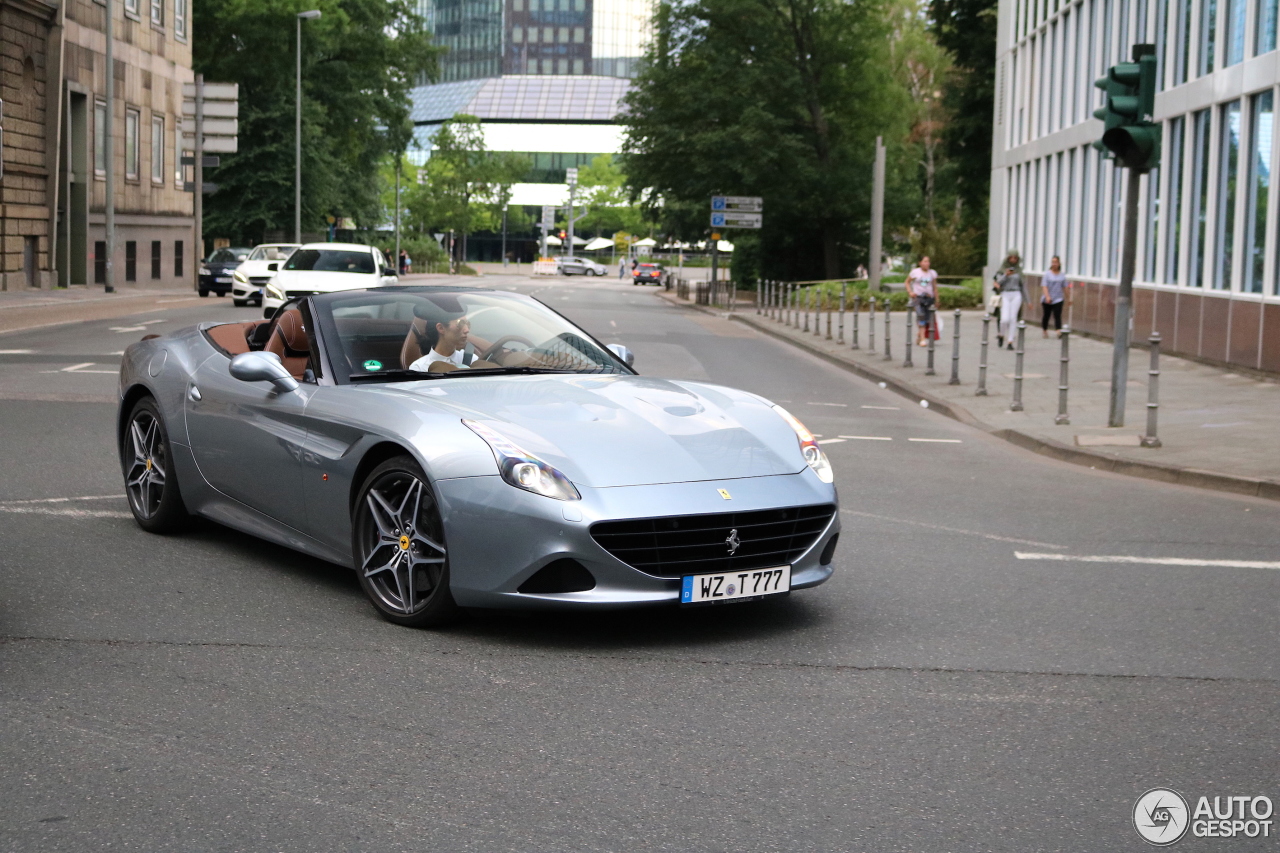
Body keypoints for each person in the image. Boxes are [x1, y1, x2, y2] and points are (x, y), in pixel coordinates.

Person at [408, 296, 475, 371]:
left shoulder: (472, 359)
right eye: (460, 324)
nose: (467, 330)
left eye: (467, 324)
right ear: (441, 328)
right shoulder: (419, 368)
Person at [906, 255, 939, 347]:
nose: (927, 263)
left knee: (928, 319)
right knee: (921, 317)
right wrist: (910, 292)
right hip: (918, 298)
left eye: (928, 261)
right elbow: (907, 282)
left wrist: (937, 299)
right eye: (924, 261)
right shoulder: (915, 272)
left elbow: (935, 287)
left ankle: (920, 334)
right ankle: (923, 339)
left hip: (929, 298)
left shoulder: (932, 273)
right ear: (920, 263)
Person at [994, 261, 1025, 350]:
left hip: (1016, 294)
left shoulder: (1019, 271)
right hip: (1005, 294)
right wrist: (1006, 275)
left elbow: (1022, 285)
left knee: (1013, 318)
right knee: (1004, 319)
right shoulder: (1001, 270)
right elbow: (998, 283)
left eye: (1015, 258)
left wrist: (1028, 300)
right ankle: (1001, 334)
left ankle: (1010, 341)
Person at [1040, 255, 1068, 337]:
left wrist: (1069, 298)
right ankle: (1044, 329)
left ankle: (1058, 330)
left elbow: (1065, 287)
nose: (1054, 264)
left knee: (1057, 314)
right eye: (1053, 262)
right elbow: (1044, 286)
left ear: (1059, 264)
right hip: (1047, 299)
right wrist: (1047, 296)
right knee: (1046, 315)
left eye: (1056, 262)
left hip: (1058, 298)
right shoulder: (1047, 274)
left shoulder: (1062, 275)